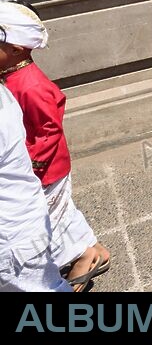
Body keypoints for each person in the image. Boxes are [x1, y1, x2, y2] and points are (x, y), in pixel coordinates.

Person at [0, 0, 108, 292]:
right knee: (60, 213)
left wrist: (31, 166)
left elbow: (48, 131)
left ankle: (80, 256)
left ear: (15, 48)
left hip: (44, 169)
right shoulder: (9, 79)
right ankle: (86, 251)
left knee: (50, 215)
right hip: (37, 169)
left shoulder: (29, 86)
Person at [0, 87, 70, 292]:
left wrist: (39, 162)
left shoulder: (27, 84)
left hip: (11, 239)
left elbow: (50, 128)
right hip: (24, 223)